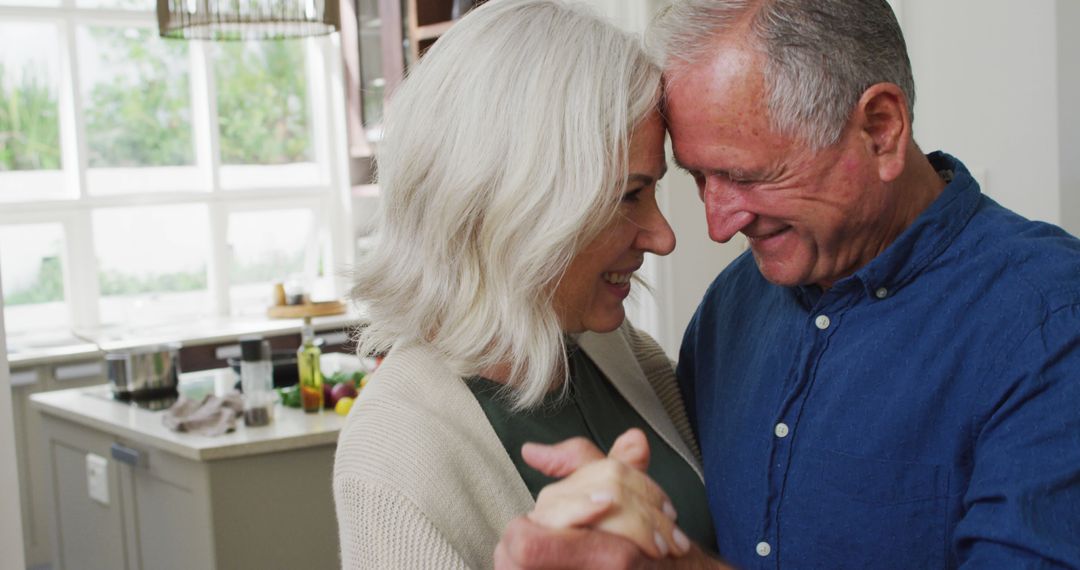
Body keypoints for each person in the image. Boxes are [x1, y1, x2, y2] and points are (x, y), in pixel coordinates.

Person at [495, 0, 1080, 568]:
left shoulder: (1050, 320)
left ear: (880, 130)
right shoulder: (730, 306)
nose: (717, 225)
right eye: (700, 178)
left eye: (745, 175)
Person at [332, 0, 718, 567]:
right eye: (629, 196)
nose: (663, 238)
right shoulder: (392, 453)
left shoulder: (620, 353)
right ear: (522, 206)